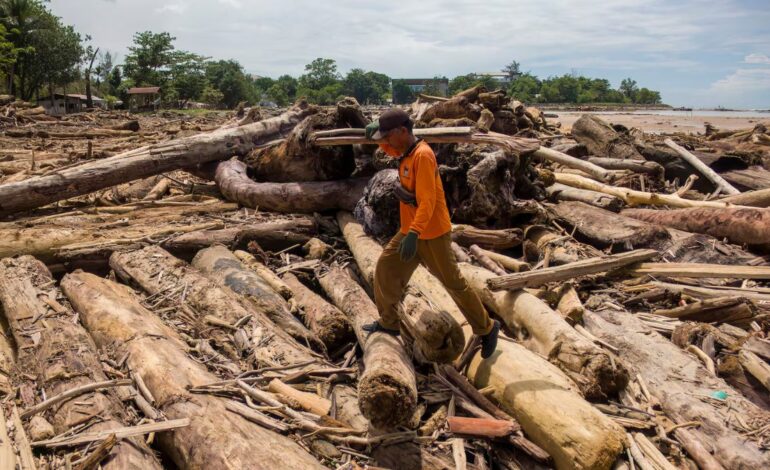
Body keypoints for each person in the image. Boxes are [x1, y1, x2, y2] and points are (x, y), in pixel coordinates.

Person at [361, 109, 500, 359]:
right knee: (385, 267)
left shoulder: (423, 156)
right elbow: (389, 150)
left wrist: (414, 234)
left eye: (389, 136)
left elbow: (428, 202)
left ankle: (487, 328)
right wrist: (377, 134)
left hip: (431, 232)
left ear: (403, 131)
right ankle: (389, 322)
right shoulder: (405, 153)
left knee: (453, 282)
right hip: (410, 229)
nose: (388, 142)